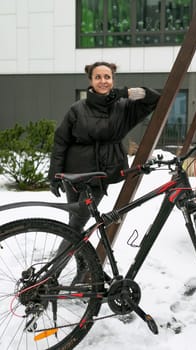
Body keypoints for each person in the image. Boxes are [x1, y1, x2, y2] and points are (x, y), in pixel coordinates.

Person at [48, 61, 160, 234]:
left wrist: (127, 93)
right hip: (73, 172)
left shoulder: (124, 107)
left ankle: (60, 261)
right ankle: (80, 260)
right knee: (74, 222)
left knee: (76, 224)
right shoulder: (77, 109)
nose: (103, 81)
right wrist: (54, 175)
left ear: (113, 80)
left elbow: (154, 99)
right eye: (98, 77)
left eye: (107, 77)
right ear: (91, 80)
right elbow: (61, 141)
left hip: (99, 174)